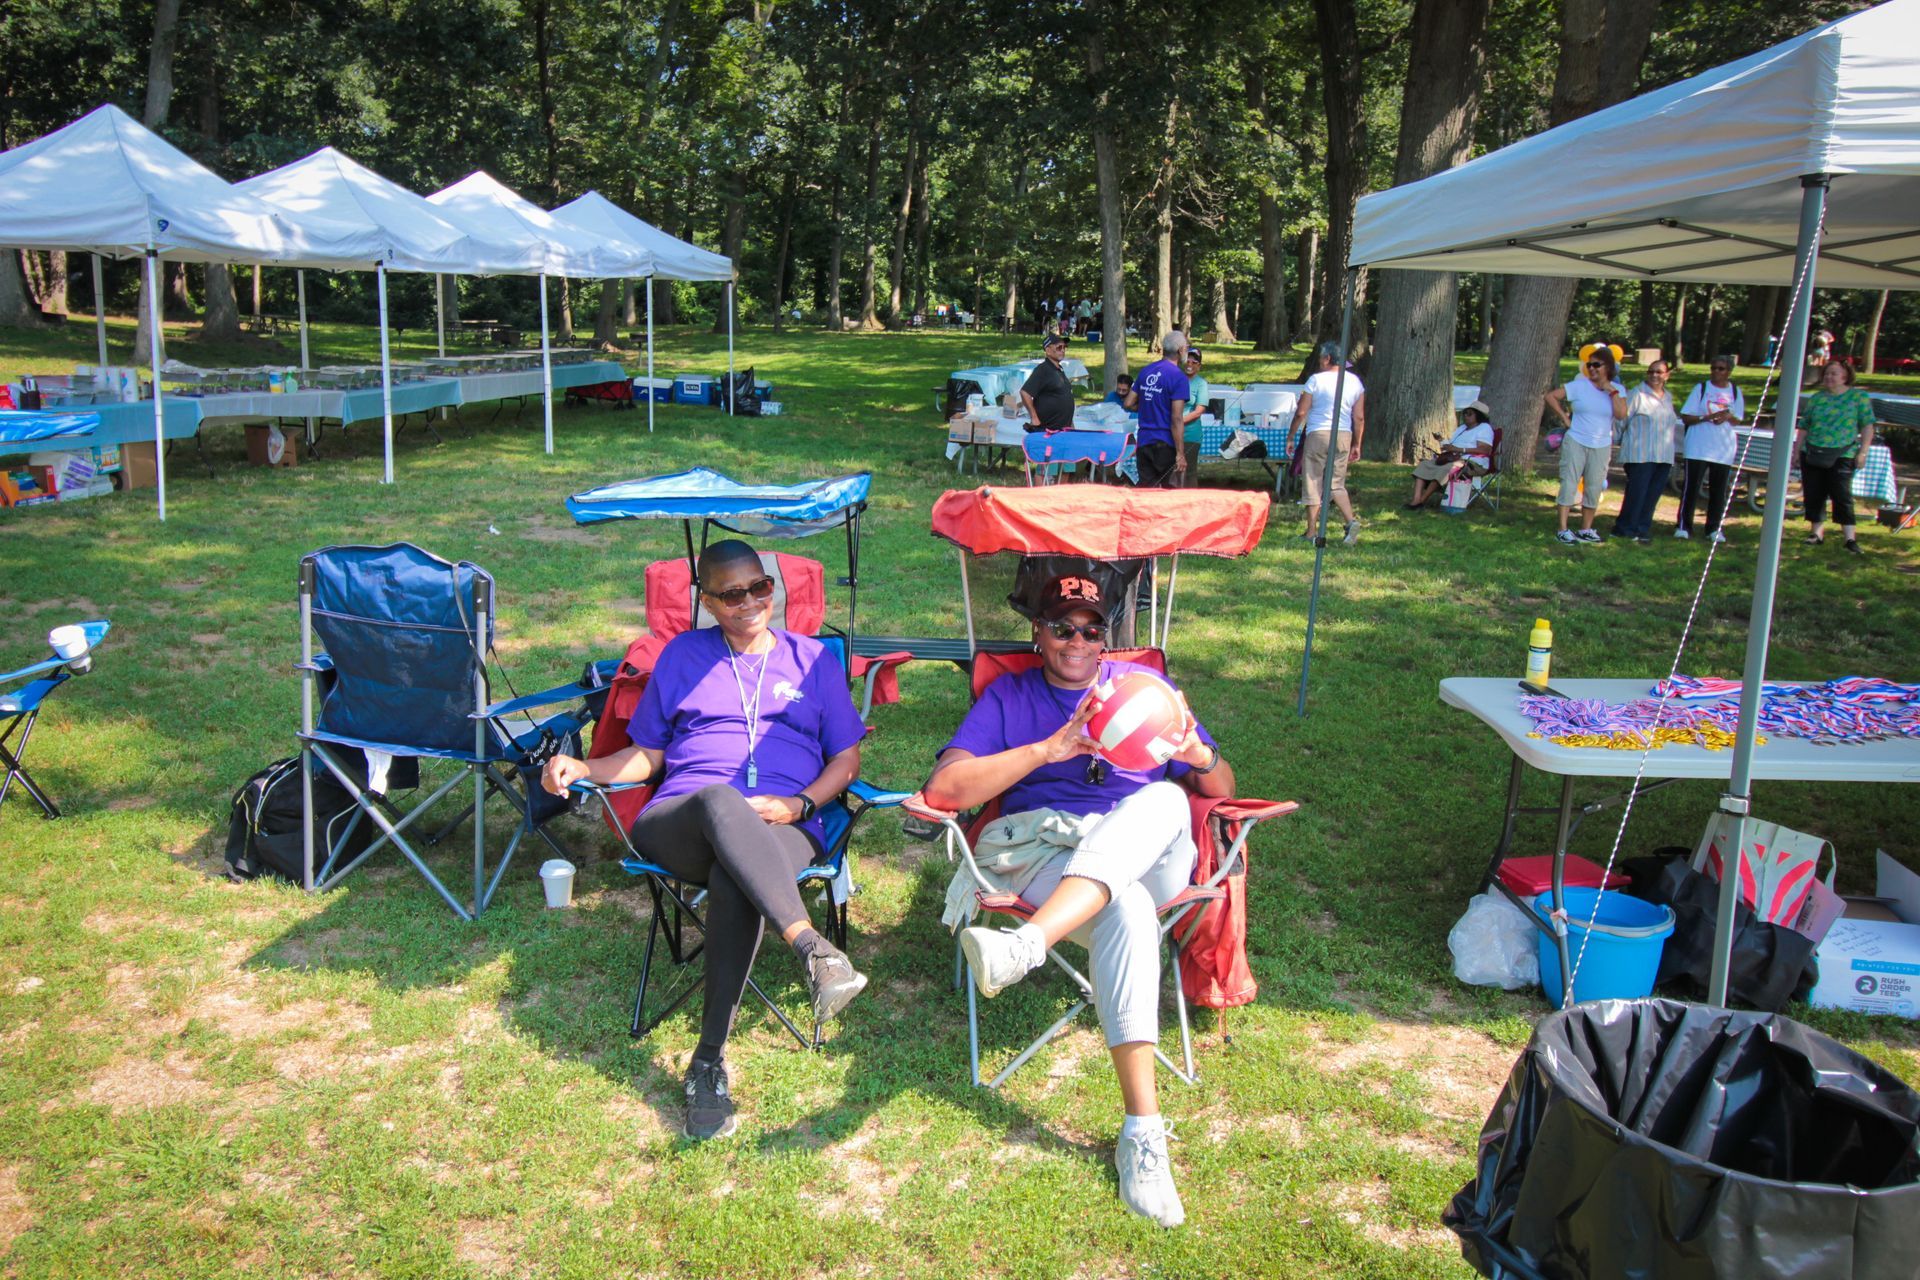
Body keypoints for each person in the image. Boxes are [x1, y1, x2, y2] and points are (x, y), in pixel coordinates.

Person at [925, 573, 1235, 1228]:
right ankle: (1142, 1133)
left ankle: (1027, 945)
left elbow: (1224, 783)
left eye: (1091, 628)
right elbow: (948, 788)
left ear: (1107, 638)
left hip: (1152, 854)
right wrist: (1047, 749)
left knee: (1167, 797)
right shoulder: (1011, 697)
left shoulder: (1145, 695)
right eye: (1062, 626)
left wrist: (1196, 751)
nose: (1078, 640)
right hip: (1048, 853)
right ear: (1037, 635)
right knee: (1119, 908)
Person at [539, 540, 869, 1141]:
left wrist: (799, 803)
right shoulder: (683, 656)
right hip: (683, 817)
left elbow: (846, 757)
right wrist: (586, 768)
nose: (750, 602)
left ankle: (707, 1063)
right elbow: (647, 756)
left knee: (733, 876)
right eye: (732, 593)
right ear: (708, 601)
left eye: (760, 587)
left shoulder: (813, 659)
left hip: (785, 822)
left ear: (772, 587)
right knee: (721, 800)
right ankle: (811, 947)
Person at [1543, 345, 1627, 544]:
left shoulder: (1617, 390)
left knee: (1594, 487)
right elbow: (1551, 396)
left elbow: (1622, 414)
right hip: (1577, 441)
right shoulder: (1579, 386)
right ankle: (1563, 529)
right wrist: (1565, 418)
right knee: (1569, 483)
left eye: (1596, 365)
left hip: (1602, 444)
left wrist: (1612, 392)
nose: (1592, 369)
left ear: (1608, 367)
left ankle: (1586, 529)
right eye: (1589, 365)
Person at [1795, 358, 1876, 554]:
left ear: (1845, 376)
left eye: (1834, 373)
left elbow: (1867, 425)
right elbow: (1804, 426)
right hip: (1813, 451)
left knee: (1842, 494)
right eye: (1827, 373)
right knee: (1814, 492)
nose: (1829, 377)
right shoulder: (1817, 398)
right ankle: (1816, 533)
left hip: (1843, 452)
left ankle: (1849, 538)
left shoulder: (1858, 398)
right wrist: (1797, 450)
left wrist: (1863, 451)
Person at [1289, 341, 1366, 545]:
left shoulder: (1316, 380)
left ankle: (1312, 531)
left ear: (1327, 359)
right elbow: (1359, 417)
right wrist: (1357, 444)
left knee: (1313, 480)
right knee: (1336, 483)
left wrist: (1291, 436)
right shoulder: (1355, 382)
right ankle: (1350, 521)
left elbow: (1301, 412)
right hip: (1343, 434)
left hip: (1319, 433)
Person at [1676, 355, 1746, 543]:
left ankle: (1714, 528)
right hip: (1698, 446)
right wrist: (1706, 417)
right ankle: (1683, 525)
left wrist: (1727, 416)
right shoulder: (1701, 388)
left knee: (1719, 491)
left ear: (1729, 372)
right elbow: (1686, 416)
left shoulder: (1736, 391)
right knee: (1691, 488)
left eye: (1721, 369)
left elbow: (1738, 418)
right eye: (1713, 368)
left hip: (1723, 448)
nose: (1716, 372)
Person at [1612, 359, 1681, 543]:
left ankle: (1642, 528)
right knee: (1637, 492)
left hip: (1663, 454)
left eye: (1659, 372)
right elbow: (1621, 420)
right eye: (1651, 371)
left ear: (1667, 375)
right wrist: (1617, 440)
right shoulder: (1637, 394)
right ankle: (1625, 528)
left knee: (1652, 494)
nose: (1654, 376)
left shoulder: (1668, 397)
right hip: (1640, 453)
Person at [1124, 331, 1191, 487]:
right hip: (1165, 442)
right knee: (1168, 491)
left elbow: (1128, 403)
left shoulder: (1146, 371)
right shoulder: (1178, 377)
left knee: (1146, 489)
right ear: (1181, 350)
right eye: (1187, 348)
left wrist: (1147, 405)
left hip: (1144, 440)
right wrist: (1180, 453)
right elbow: (1176, 418)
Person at [1406, 400, 1494, 510]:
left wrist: (1460, 449)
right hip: (1452, 457)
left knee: (1446, 469)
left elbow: (1485, 450)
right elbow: (1452, 445)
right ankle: (1416, 499)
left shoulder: (1484, 428)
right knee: (1424, 464)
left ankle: (1422, 501)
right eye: (1465, 413)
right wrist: (1443, 441)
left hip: (1473, 461)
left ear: (1479, 416)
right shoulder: (1462, 428)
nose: (1466, 416)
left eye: (1470, 414)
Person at [1021, 332, 1076, 433]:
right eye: (1059, 347)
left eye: (1064, 347)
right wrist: (1034, 418)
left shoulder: (1060, 369)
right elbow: (1025, 393)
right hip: (1048, 430)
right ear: (1048, 350)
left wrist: (1071, 423)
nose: (1063, 350)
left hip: (1063, 430)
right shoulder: (1043, 369)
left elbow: (1063, 396)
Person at [1177, 348, 1209, 432]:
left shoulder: (1201, 384)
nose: (1190, 364)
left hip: (1190, 433)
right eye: (1187, 361)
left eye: (1194, 362)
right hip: (1170, 432)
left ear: (1199, 366)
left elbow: (1199, 411)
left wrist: (1177, 423)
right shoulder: (1175, 379)